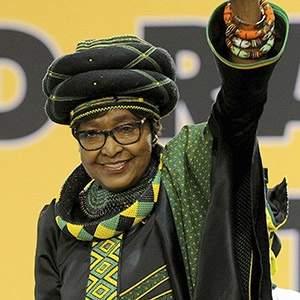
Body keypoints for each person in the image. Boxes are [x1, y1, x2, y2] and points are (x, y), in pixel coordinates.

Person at [35, 0, 292, 299]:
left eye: (126, 129)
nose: (111, 148)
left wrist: (247, 24)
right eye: (92, 134)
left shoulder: (187, 176)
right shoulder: (56, 225)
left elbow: (239, 109)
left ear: (153, 130)